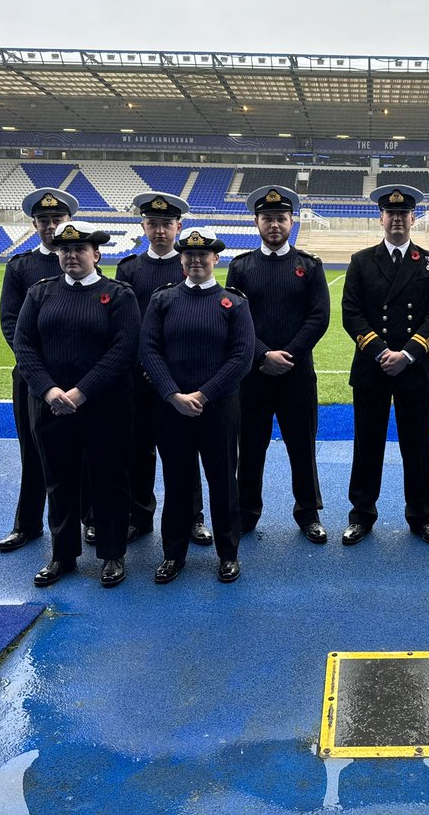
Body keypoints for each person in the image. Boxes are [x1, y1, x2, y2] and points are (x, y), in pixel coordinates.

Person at [12, 219, 140, 588]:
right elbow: (25, 346)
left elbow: (123, 350)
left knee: (110, 480)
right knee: (59, 481)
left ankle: (112, 554)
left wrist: (81, 392)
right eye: (65, 250)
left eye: (79, 249)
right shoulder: (40, 294)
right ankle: (62, 555)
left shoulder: (119, 295)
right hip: (52, 407)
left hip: (106, 407)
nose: (71, 255)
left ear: (96, 254)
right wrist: (50, 391)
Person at [139, 227, 255, 583]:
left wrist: (202, 395)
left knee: (223, 482)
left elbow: (242, 357)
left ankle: (228, 554)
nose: (195, 261)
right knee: (176, 483)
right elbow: (149, 350)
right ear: (181, 260)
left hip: (218, 407)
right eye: (188, 256)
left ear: (215, 259)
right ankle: (173, 554)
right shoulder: (163, 300)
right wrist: (174, 395)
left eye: (202, 255)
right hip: (172, 408)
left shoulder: (233, 302)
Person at [340, 184, 429, 547]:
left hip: (414, 369)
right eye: (392, 214)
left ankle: (422, 516)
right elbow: (351, 313)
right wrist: (381, 351)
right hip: (373, 367)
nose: (398, 219)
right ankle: (361, 515)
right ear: (381, 218)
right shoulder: (361, 260)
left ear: (413, 218)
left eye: (404, 214)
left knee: (416, 446)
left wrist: (408, 354)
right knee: (366, 444)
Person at [227, 186, 330, 543]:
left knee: (302, 446)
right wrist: (263, 355)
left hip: (297, 374)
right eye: (267, 218)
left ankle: (308, 512)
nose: (274, 224)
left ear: (291, 222)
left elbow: (319, 317)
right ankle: (246, 512)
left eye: (280, 218)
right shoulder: (241, 267)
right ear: (257, 222)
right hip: (252, 377)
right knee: (251, 448)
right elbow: (234, 320)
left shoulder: (309, 266)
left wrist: (288, 355)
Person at [112, 191, 212, 547]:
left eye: (166, 224)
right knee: (138, 450)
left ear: (178, 227)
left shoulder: (191, 262)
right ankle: (140, 515)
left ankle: (194, 518)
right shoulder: (129, 269)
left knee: (187, 451)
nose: (159, 230)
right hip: (138, 378)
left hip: (181, 378)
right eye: (152, 223)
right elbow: (124, 324)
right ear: (142, 226)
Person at [0, 188, 73, 553]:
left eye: (57, 220)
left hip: (74, 378)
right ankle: (27, 525)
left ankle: (86, 519)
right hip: (32, 377)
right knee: (33, 451)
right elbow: (11, 324)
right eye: (45, 221)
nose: (51, 226)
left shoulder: (81, 259)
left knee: (81, 452)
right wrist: (39, 372)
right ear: (35, 224)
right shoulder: (21, 266)